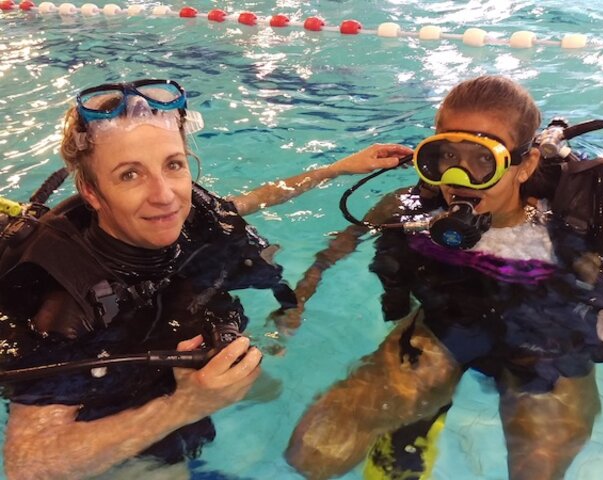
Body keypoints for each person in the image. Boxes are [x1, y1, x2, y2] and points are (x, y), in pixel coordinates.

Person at [0, 78, 412, 479]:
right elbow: (29, 465)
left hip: (177, 360)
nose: (165, 196)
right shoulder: (66, 302)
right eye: (130, 174)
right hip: (112, 409)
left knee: (269, 390)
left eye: (173, 165)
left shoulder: (187, 212)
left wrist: (337, 168)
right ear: (91, 192)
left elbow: (249, 201)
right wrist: (185, 406)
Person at [284, 75, 603, 480]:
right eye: (446, 157)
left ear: (525, 165)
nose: (458, 179)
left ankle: (422, 414)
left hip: (548, 351)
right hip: (444, 329)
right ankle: (422, 415)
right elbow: (338, 247)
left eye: (482, 160)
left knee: (537, 471)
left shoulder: (565, 228)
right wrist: (297, 300)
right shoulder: (414, 212)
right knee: (312, 453)